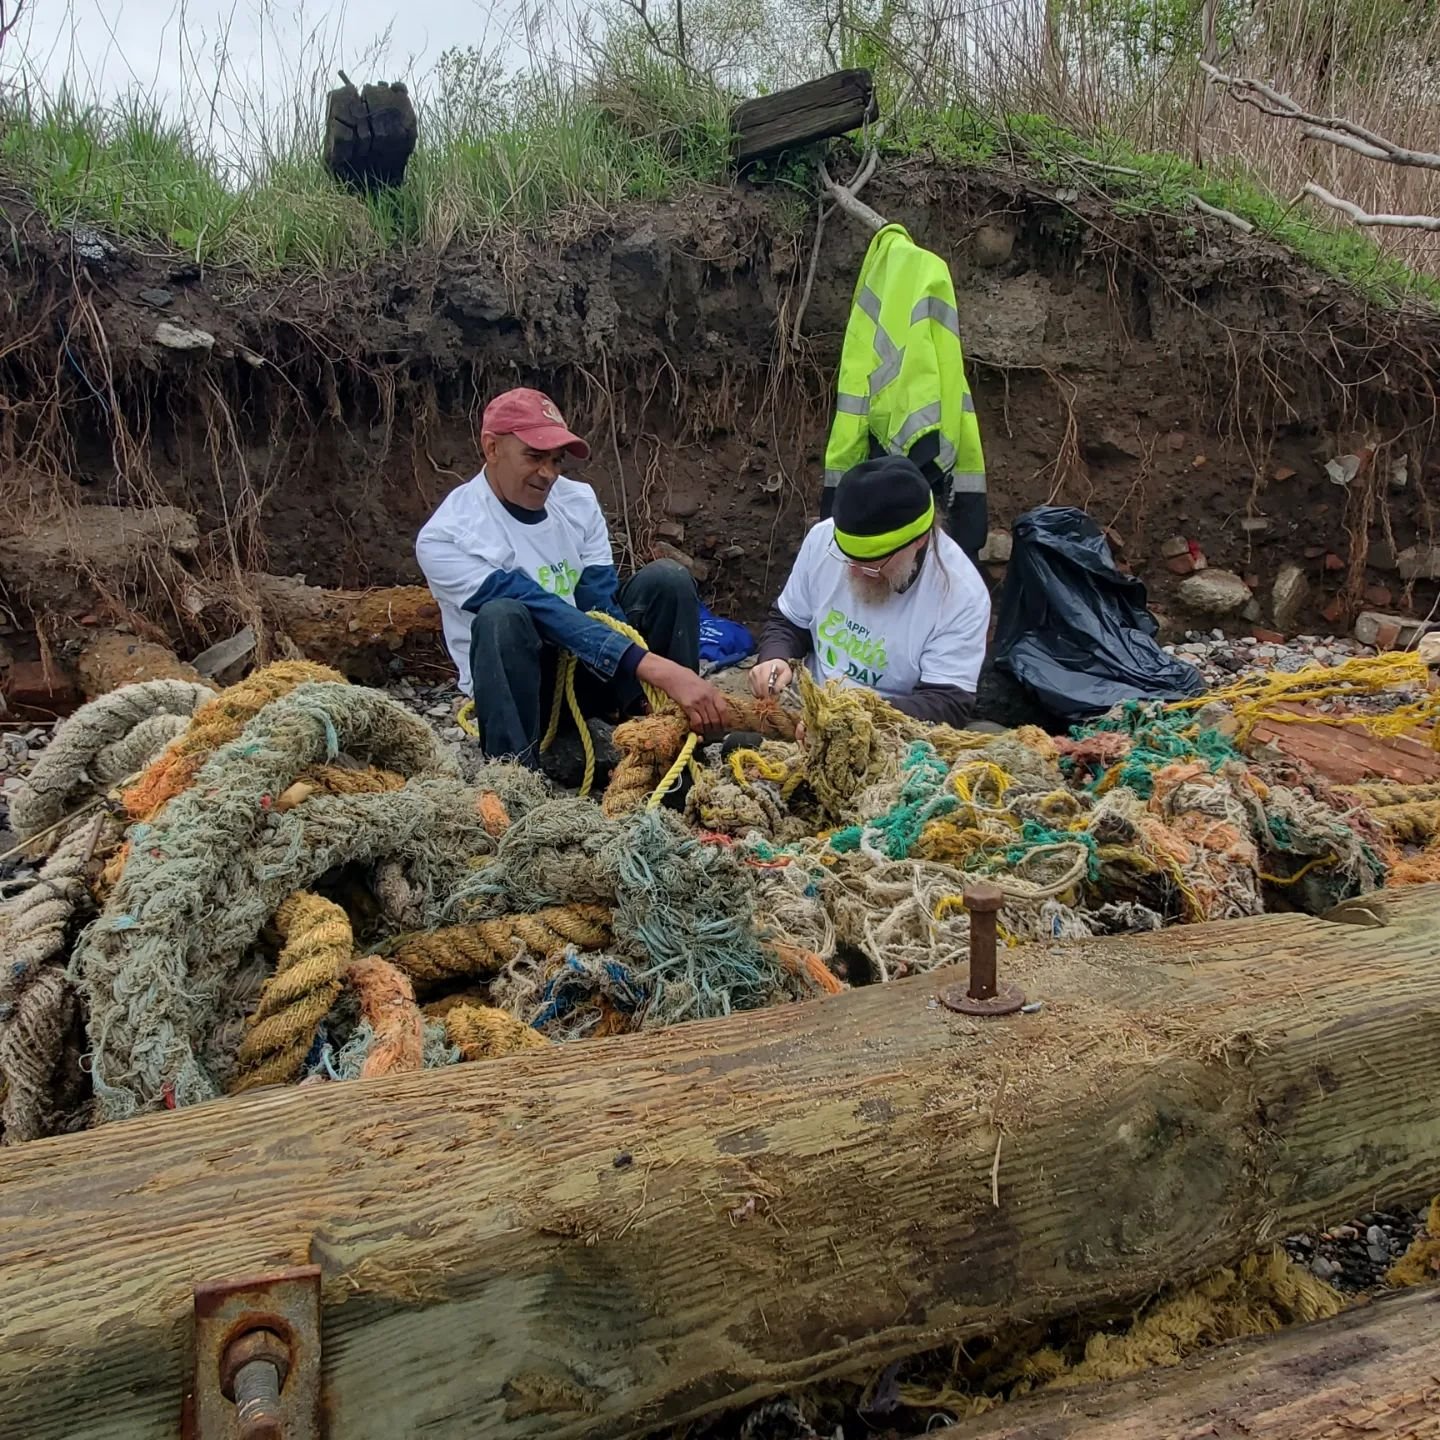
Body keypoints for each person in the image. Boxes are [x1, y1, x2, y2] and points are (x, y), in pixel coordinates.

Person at [416, 387, 725, 767]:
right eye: (534, 456)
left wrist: (637, 687)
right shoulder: (448, 536)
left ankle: (668, 735)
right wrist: (656, 668)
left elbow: (598, 603)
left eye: (557, 460)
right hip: (526, 690)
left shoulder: (577, 501)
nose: (548, 474)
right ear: (492, 448)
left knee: (667, 580)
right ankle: (512, 777)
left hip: (588, 673)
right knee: (502, 616)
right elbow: (540, 607)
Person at [750, 455, 990, 728]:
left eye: (871, 566)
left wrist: (857, 717)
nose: (853, 572)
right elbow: (788, 622)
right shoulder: (822, 540)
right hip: (813, 713)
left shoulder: (961, 594)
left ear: (920, 541)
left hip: (895, 730)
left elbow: (947, 702)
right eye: (847, 558)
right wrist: (775, 657)